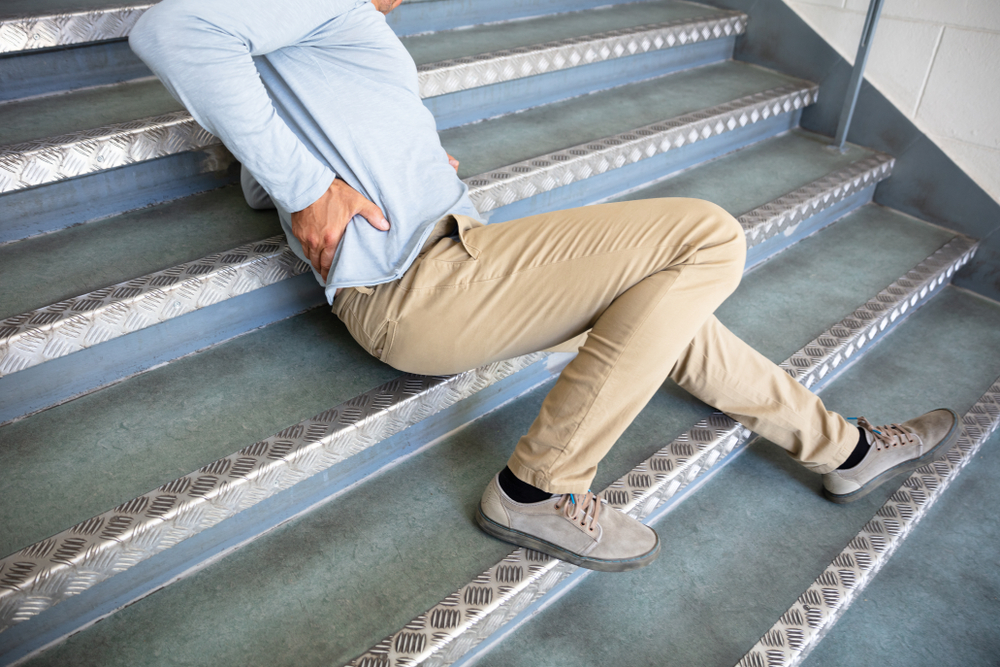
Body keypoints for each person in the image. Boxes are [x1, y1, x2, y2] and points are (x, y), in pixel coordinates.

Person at [129, 0, 959, 573]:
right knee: (705, 237)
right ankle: (539, 486)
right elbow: (171, 30)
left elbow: (268, 146)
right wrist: (309, 191)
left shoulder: (315, 32)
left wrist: (398, 162)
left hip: (456, 263)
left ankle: (845, 448)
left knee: (667, 311)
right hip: (422, 282)